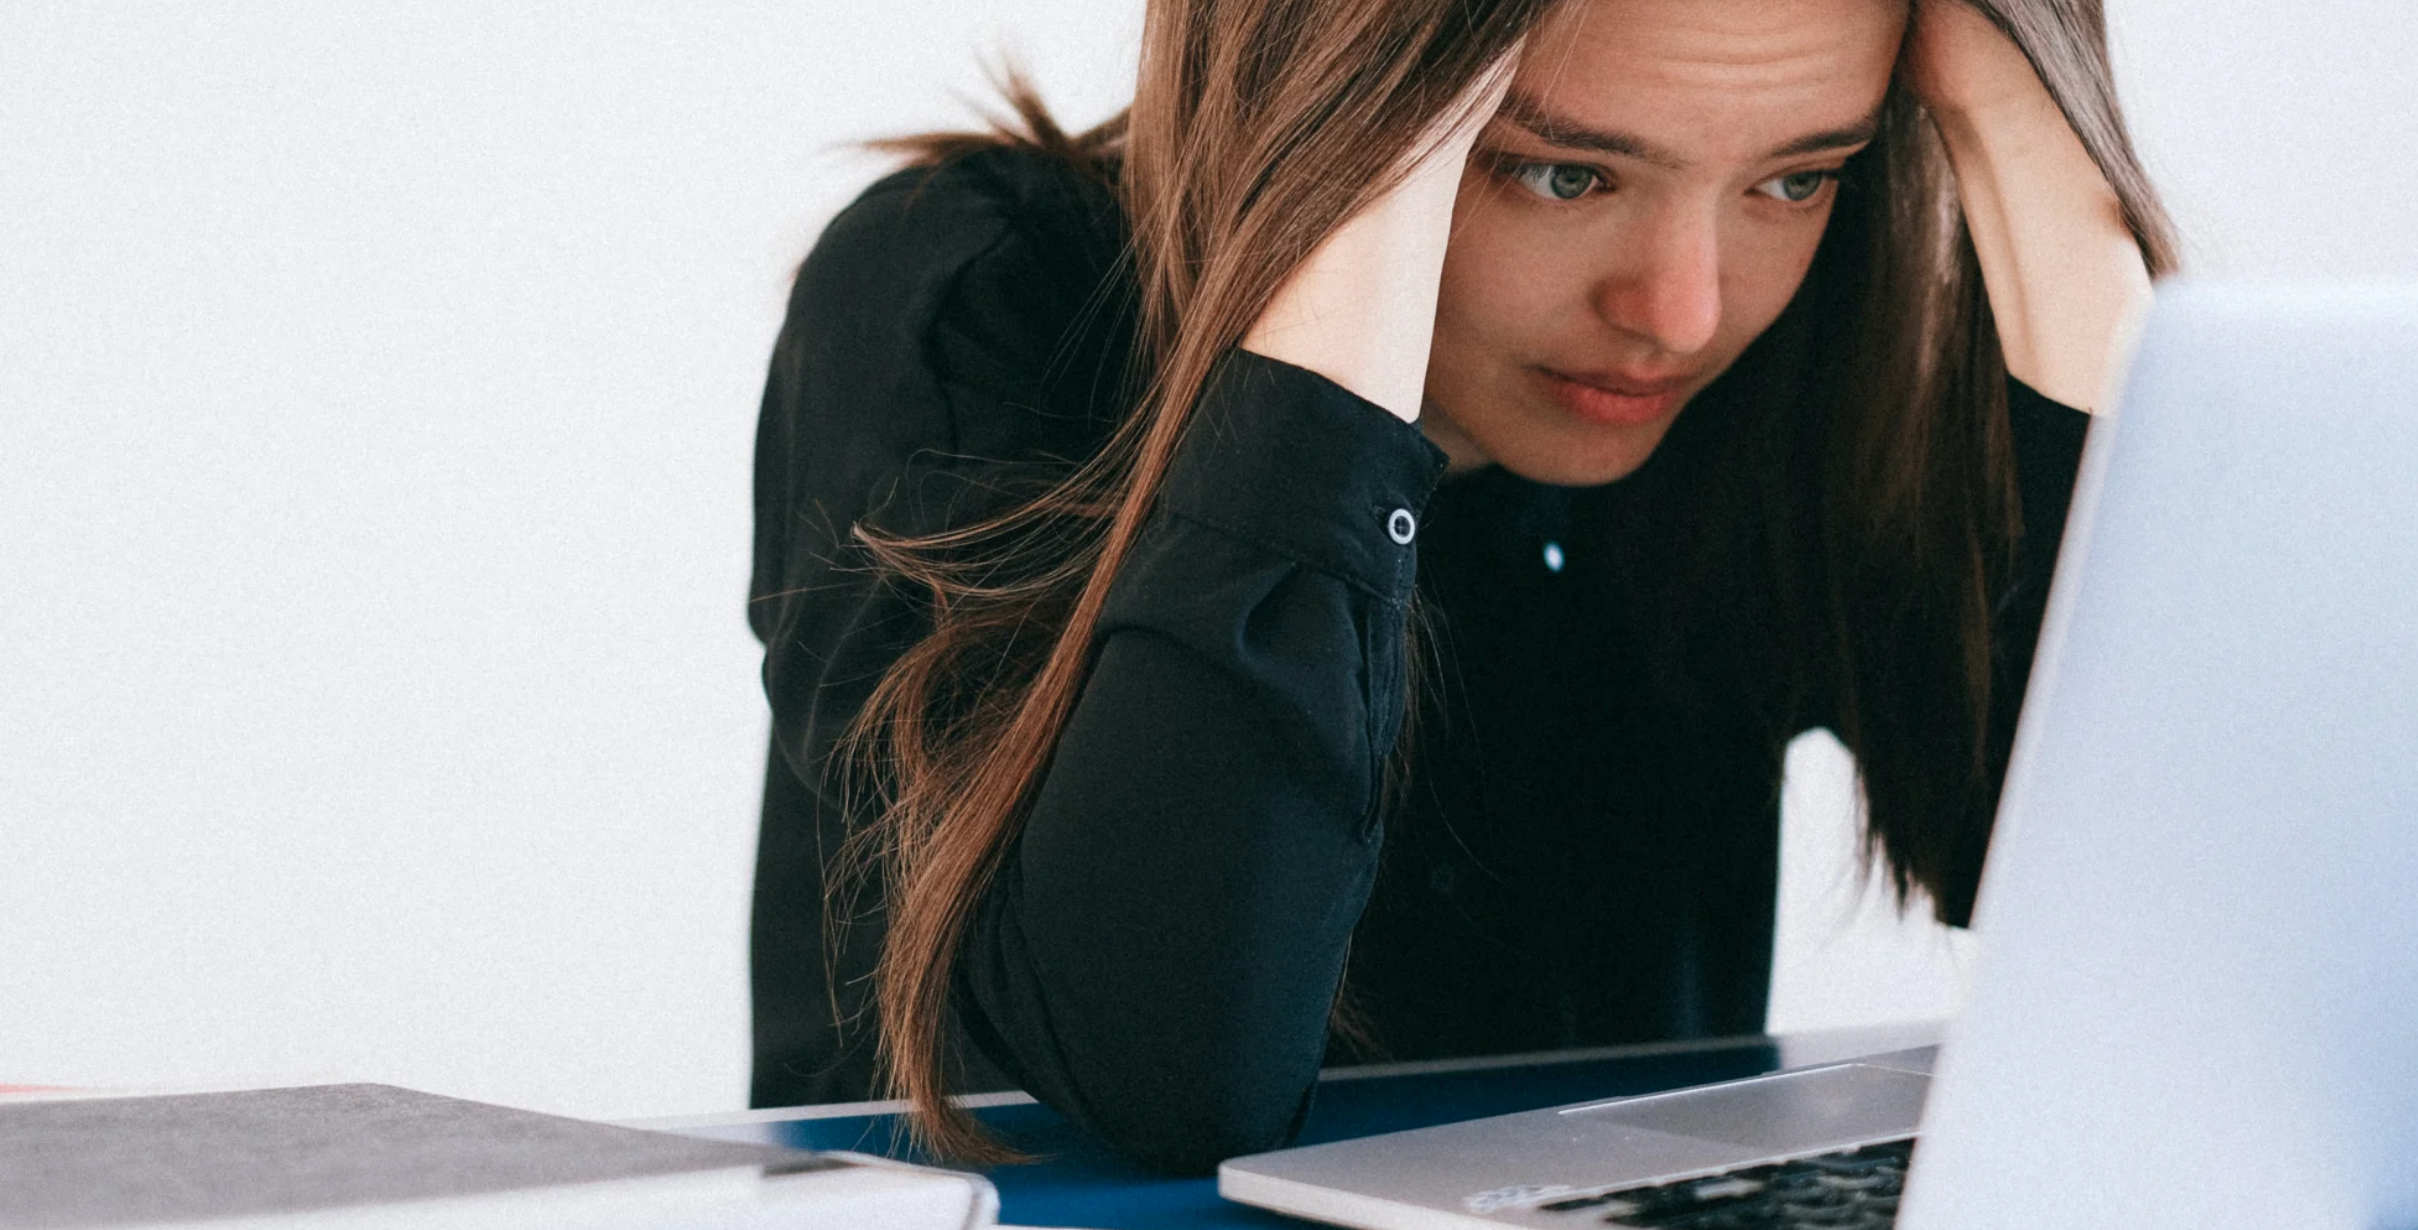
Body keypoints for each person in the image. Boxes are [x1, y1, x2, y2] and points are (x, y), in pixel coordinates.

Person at [746, 0, 2176, 1174]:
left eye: (1791, 177)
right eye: (1561, 173)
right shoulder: (969, 296)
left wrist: (2039, 151)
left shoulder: (1785, 360)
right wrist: (1342, 214)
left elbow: (2169, 930)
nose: (1679, 312)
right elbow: (1167, 1069)